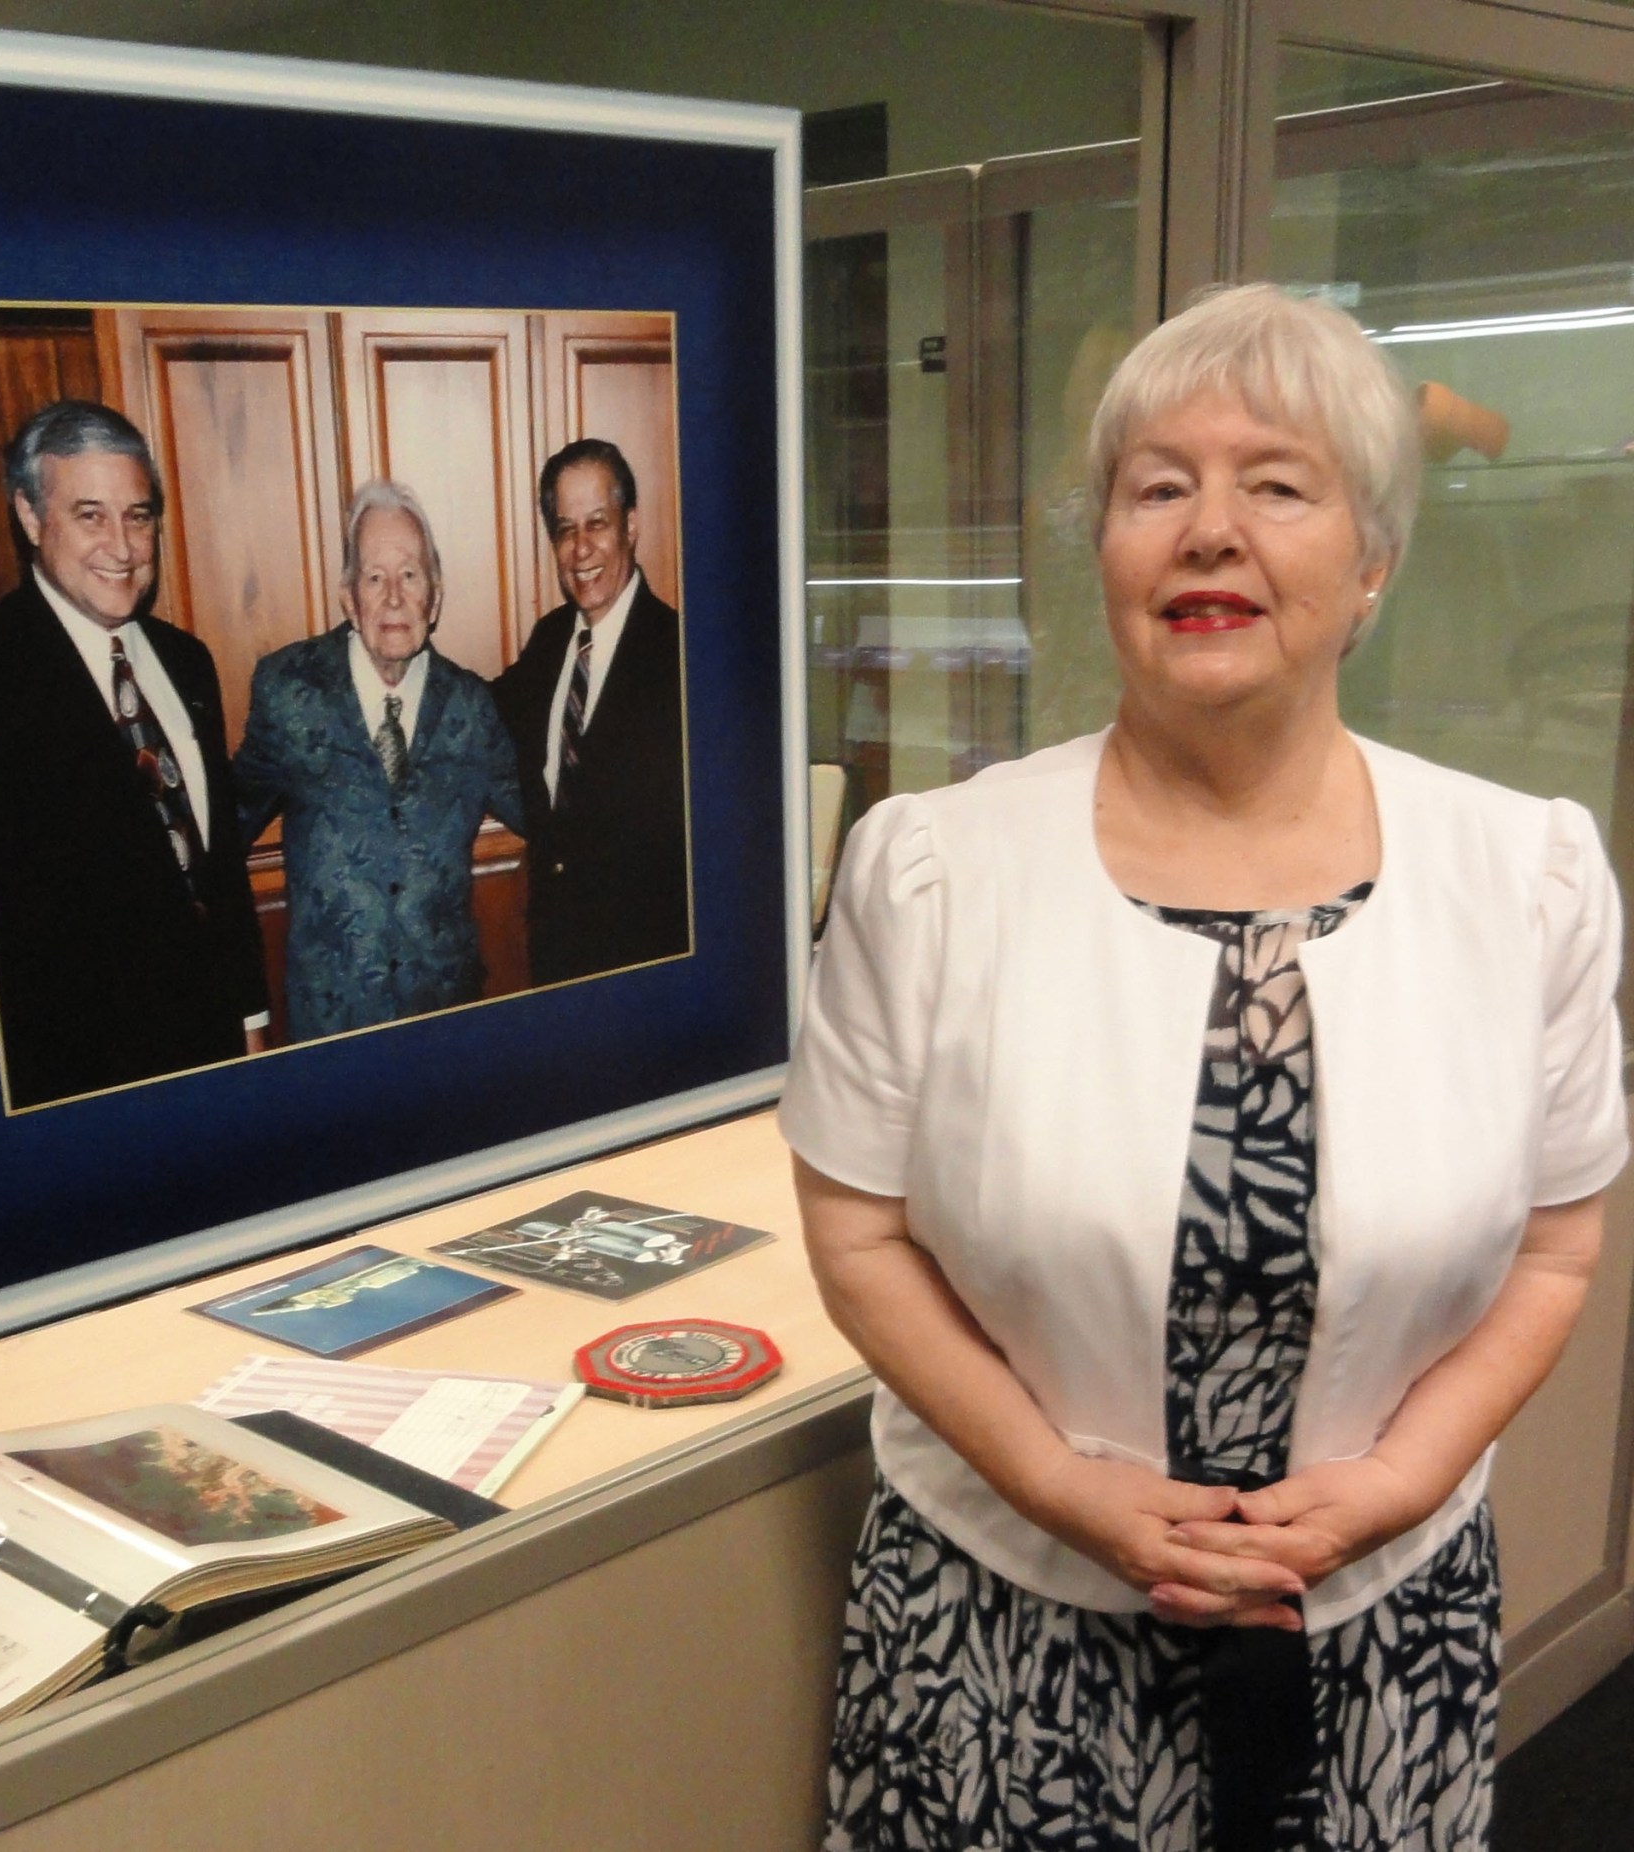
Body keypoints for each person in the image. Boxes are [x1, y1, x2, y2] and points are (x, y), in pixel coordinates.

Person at [780, 283, 1627, 1851]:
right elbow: (855, 1235)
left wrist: (1395, 1483)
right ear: (1101, 550)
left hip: (1380, 1632)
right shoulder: (932, 871)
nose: (1209, 531)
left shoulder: (1533, 876)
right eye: (1158, 486)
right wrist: (1055, 1479)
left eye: (1280, 485)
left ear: (1372, 564)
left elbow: (1561, 1248)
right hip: (1006, 1634)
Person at [0, 400, 268, 1110]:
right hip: (79, 1078)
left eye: (139, 515)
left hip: (212, 1054)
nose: (123, 547)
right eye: (90, 515)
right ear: (32, 519)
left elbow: (219, 873)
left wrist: (250, 1021)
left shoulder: (188, 664)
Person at [231, 479, 524, 1042]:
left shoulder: (472, 707)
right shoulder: (289, 691)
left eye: (410, 575)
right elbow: (224, 833)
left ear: (434, 598)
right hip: (330, 1029)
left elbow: (548, 816)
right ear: (348, 595)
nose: (392, 597)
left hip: (444, 1022)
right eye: (374, 576)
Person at [494, 438, 689, 985]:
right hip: (557, 968)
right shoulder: (551, 639)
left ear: (630, 526)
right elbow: (480, 711)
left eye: (597, 523)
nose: (581, 549)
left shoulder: (684, 656)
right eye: (564, 529)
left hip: (647, 976)